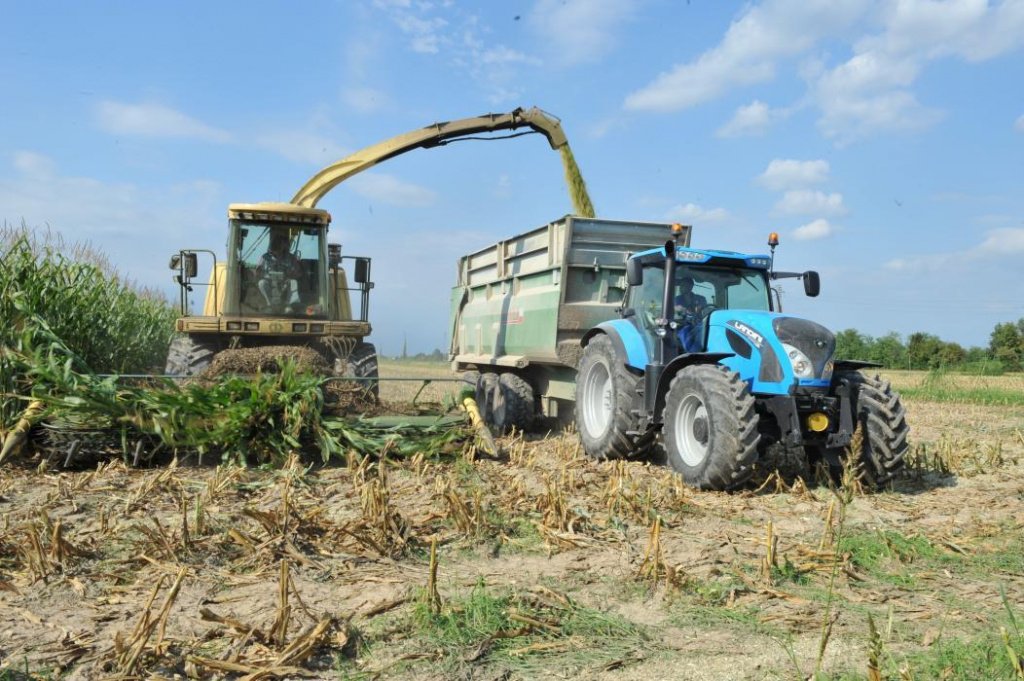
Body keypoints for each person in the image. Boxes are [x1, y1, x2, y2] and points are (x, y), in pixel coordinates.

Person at [256, 230, 302, 312]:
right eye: (276, 243)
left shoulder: (291, 258)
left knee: (293, 282)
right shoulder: (265, 258)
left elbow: (299, 273)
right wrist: (262, 274)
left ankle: (289, 306)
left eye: (280, 243)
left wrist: (291, 276)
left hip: (285, 284)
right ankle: (269, 305)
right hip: (269, 283)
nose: (278, 245)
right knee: (261, 283)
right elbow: (258, 272)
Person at [675, 276, 708, 353]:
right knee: (684, 332)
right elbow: (676, 311)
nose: (681, 287)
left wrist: (699, 310)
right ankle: (691, 353)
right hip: (682, 325)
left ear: (691, 286)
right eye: (681, 285)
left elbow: (704, 311)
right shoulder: (676, 299)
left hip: (698, 324)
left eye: (684, 285)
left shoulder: (700, 299)